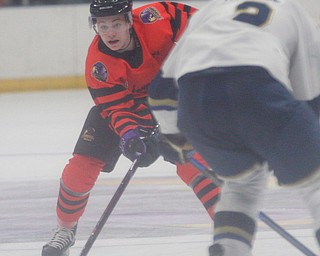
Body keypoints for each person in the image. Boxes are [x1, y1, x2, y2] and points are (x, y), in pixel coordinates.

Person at [41, 1, 221, 256]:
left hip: (170, 102)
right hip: (124, 113)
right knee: (79, 170)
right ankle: (65, 230)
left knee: (193, 163)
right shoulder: (98, 65)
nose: (110, 32)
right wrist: (130, 136)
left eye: (116, 24)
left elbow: (206, 24)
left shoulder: (156, 17)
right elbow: (115, 109)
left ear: (129, 21)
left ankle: (227, 229)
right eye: (102, 26)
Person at [148, 0, 320, 255]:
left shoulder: (210, 11)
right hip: (257, 90)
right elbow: (310, 97)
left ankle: (229, 249)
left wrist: (175, 137)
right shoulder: (294, 12)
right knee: (316, 183)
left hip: (198, 105)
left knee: (242, 186)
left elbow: (160, 92)